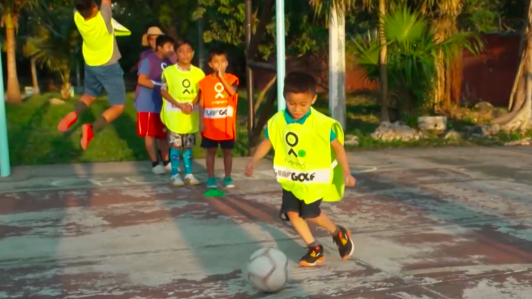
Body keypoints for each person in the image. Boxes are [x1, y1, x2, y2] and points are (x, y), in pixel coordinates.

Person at [245, 71, 356, 267]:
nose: (297, 109)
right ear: (285, 98)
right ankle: (314, 248)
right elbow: (267, 142)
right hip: (291, 178)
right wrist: (253, 161)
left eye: (303, 105)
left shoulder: (321, 124)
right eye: (291, 103)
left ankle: (338, 232)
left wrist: (346, 171)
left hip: (313, 179)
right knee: (292, 213)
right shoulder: (278, 121)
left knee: (311, 214)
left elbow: (338, 147)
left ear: (313, 99)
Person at [58, 0, 126, 150]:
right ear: (95, 8)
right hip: (109, 65)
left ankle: (75, 113)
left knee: (89, 95)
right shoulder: (104, 19)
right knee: (118, 106)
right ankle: (92, 129)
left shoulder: (78, 18)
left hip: (91, 64)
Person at [160, 39, 205, 186]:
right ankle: (174, 174)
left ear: (192, 54)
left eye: (188, 51)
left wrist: (191, 104)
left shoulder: (199, 73)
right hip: (174, 116)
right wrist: (179, 105)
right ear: (176, 54)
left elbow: (200, 93)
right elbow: (163, 91)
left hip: (190, 116)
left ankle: (189, 173)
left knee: (188, 146)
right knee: (175, 145)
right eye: (181, 51)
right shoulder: (168, 72)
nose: (185, 54)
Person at [197, 48, 239, 189]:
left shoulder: (232, 79)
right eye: (216, 62)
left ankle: (227, 177)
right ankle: (211, 178)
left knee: (227, 151)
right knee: (211, 151)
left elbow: (232, 92)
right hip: (210, 124)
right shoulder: (204, 82)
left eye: (222, 61)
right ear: (210, 64)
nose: (219, 65)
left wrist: (221, 78)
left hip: (226, 125)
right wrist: (200, 121)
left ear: (226, 63)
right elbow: (201, 102)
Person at [135, 35, 175, 175]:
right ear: (159, 47)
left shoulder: (170, 63)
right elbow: (141, 80)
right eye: (168, 47)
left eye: (173, 47)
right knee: (149, 134)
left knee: (163, 135)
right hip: (147, 104)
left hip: (163, 105)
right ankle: (154, 163)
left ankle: (166, 161)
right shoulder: (149, 60)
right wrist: (160, 86)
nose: (172, 50)